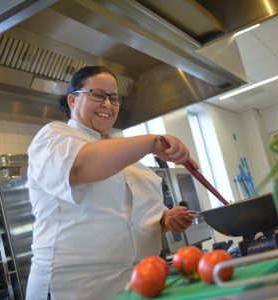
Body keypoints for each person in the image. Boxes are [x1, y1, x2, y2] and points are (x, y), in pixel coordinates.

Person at [25, 66, 198, 300]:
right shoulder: (54, 137)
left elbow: (130, 218)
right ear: (72, 100)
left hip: (136, 286)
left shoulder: (126, 157)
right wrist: (151, 142)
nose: (108, 104)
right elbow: (79, 167)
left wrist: (165, 220)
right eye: (98, 95)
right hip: (72, 288)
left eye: (114, 98)